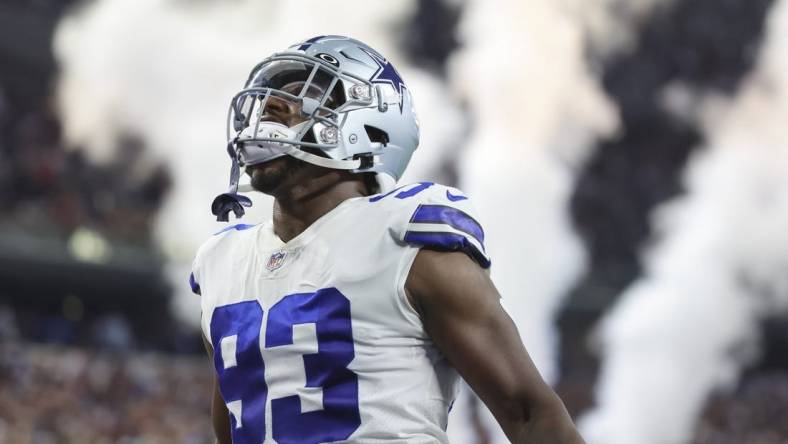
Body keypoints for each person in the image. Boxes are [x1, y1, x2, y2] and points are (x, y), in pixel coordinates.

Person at [190, 35, 584, 444]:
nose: (270, 109)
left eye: (297, 96)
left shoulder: (408, 242)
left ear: (370, 126)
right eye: (269, 100)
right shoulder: (223, 262)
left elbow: (530, 413)